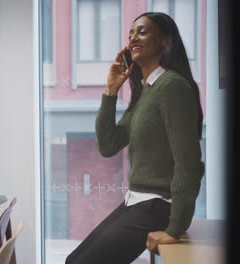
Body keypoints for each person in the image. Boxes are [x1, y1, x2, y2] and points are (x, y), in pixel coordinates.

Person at [65, 12, 205, 264]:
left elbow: (189, 163)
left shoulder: (172, 86)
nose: (133, 38)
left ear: (164, 40)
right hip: (136, 201)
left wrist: (175, 228)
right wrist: (110, 91)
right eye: (130, 34)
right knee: (73, 261)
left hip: (158, 206)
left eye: (142, 31)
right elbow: (108, 146)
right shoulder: (145, 92)